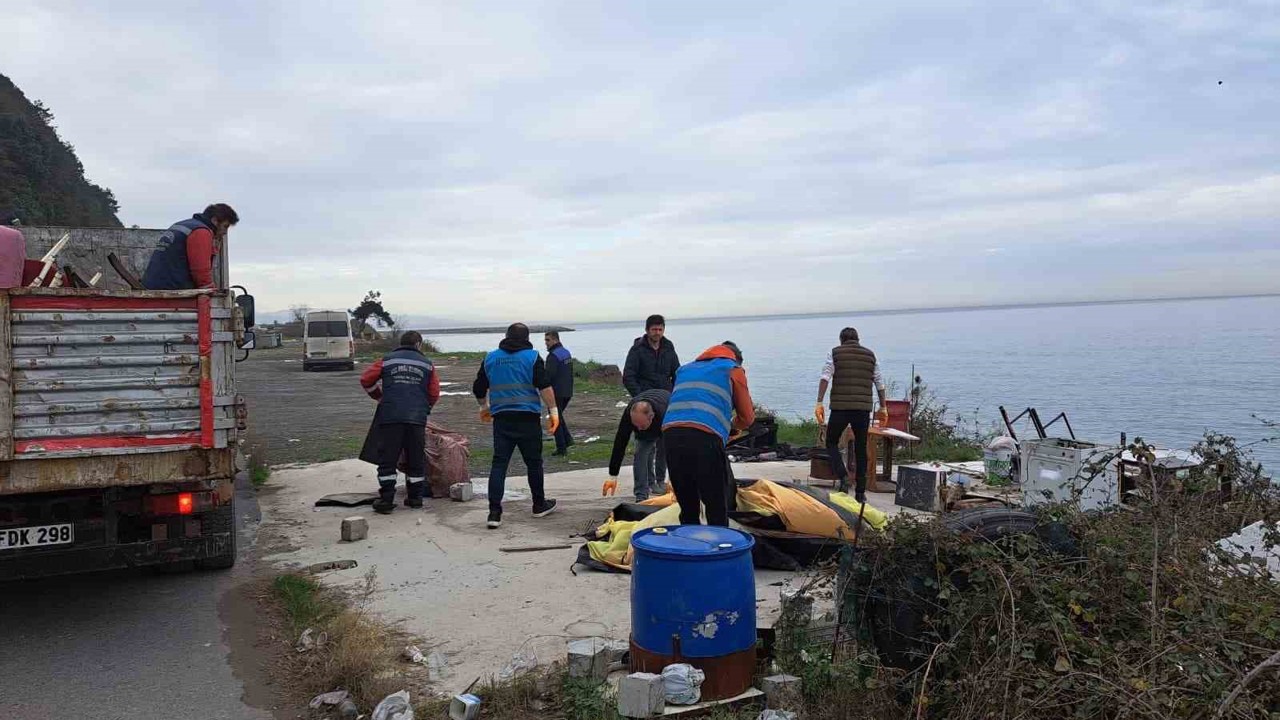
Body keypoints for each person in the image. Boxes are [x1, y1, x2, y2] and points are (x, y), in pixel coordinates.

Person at [473, 323, 560, 529]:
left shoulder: (491, 358)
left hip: (502, 418)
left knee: (499, 464)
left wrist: (484, 407)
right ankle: (539, 505)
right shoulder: (532, 357)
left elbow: (478, 387)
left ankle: (494, 513)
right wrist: (553, 412)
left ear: (506, 336)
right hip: (527, 418)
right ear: (527, 338)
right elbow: (544, 386)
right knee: (533, 463)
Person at [662, 341, 754, 526]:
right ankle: (719, 549)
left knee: (687, 506)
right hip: (705, 438)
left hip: (671, 435)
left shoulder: (684, 370)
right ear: (736, 358)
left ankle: (690, 547)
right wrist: (732, 426)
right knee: (715, 504)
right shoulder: (733, 369)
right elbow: (747, 417)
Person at [359, 331, 441, 514]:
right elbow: (434, 392)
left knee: (388, 459)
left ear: (401, 343)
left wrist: (379, 397)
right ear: (419, 344)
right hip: (416, 418)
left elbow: (366, 380)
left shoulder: (387, 360)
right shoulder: (427, 364)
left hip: (390, 416)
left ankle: (386, 499)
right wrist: (425, 408)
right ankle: (415, 499)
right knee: (415, 459)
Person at [814, 327, 888, 502]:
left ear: (841, 340)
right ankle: (861, 493)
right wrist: (883, 407)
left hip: (840, 408)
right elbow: (879, 382)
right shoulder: (870, 355)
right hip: (862, 409)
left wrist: (819, 402)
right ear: (858, 339)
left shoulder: (835, 353)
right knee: (861, 447)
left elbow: (825, 377)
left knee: (831, 442)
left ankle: (843, 476)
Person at [142, 203, 239, 290]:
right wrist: (211, 291)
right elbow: (201, 272)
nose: (225, 232)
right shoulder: (201, 232)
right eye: (225, 226)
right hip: (171, 290)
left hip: (153, 286)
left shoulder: (183, 225)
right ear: (214, 220)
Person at [602, 389, 670, 502]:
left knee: (664, 449)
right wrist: (612, 476)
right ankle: (641, 496)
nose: (638, 429)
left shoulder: (665, 414)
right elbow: (620, 442)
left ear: (651, 417)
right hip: (650, 417)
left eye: (641, 426)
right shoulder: (629, 415)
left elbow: (675, 451)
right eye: (635, 426)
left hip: (665, 411)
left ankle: (661, 482)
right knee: (640, 455)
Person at [623, 314, 680, 397]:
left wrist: (675, 392)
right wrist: (639, 396)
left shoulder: (668, 347)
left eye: (660, 330)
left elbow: (677, 373)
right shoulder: (637, 349)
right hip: (645, 395)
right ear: (647, 330)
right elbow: (628, 377)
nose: (657, 333)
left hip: (666, 394)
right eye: (654, 329)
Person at [544, 331, 574, 456]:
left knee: (555, 418)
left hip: (556, 392)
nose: (546, 343)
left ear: (555, 340)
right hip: (567, 391)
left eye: (548, 340)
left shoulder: (553, 356)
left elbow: (548, 376)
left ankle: (561, 448)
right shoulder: (566, 352)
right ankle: (567, 440)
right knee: (559, 417)